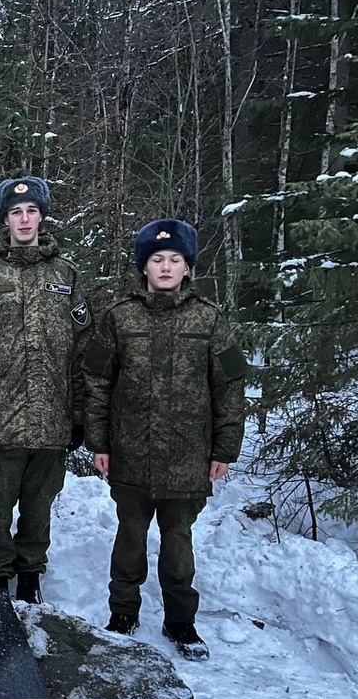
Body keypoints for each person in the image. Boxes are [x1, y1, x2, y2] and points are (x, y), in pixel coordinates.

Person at [83, 218, 247, 661]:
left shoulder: (210, 320)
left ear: (188, 268)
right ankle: (122, 614)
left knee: (178, 544)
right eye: (158, 260)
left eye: (175, 259)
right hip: (130, 454)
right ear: (144, 268)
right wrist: (100, 443)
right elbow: (97, 381)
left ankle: (181, 623)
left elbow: (230, 386)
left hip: (187, 458)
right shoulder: (118, 318)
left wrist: (224, 450)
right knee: (129, 539)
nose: (167, 267)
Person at [0, 176, 90, 602]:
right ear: (5, 220)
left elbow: (84, 352)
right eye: (16, 212)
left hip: (52, 420)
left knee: (38, 509)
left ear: (42, 216)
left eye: (31, 211)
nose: (25, 219)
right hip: (1, 421)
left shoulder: (66, 274)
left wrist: (81, 416)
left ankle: (30, 577)